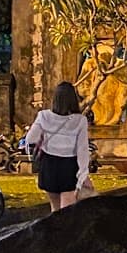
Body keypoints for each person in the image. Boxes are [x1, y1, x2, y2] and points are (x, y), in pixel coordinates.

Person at [26, 81, 90, 212]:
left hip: (49, 164)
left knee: (54, 209)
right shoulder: (80, 120)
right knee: (67, 211)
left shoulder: (44, 116)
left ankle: (54, 232)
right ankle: (65, 232)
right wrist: (83, 173)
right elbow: (82, 149)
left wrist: (44, 137)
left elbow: (31, 139)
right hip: (69, 165)